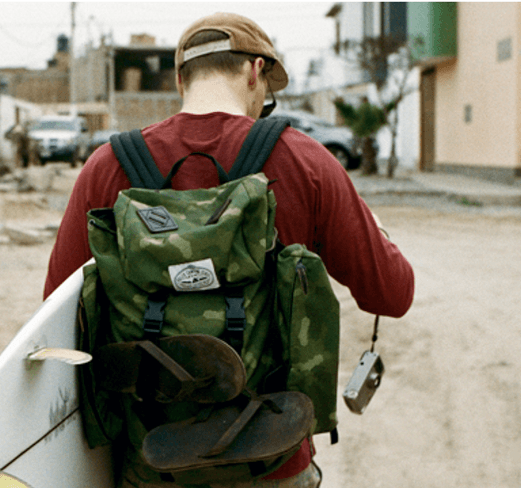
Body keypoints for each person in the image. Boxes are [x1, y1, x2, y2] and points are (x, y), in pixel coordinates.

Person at [44, 12, 414, 488]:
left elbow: (55, 315)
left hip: (152, 462)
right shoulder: (305, 160)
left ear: (181, 79)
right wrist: (376, 232)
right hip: (274, 464)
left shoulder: (108, 166)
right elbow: (392, 294)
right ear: (256, 71)